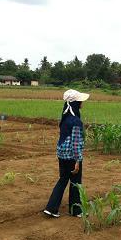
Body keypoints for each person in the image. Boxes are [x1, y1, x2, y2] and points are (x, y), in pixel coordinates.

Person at [43, 89, 89, 218]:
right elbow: (76, 143)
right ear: (76, 103)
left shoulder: (65, 118)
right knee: (75, 182)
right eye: (80, 101)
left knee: (63, 179)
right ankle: (76, 210)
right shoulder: (76, 121)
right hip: (71, 156)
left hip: (62, 155)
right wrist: (78, 161)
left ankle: (51, 208)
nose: (82, 103)